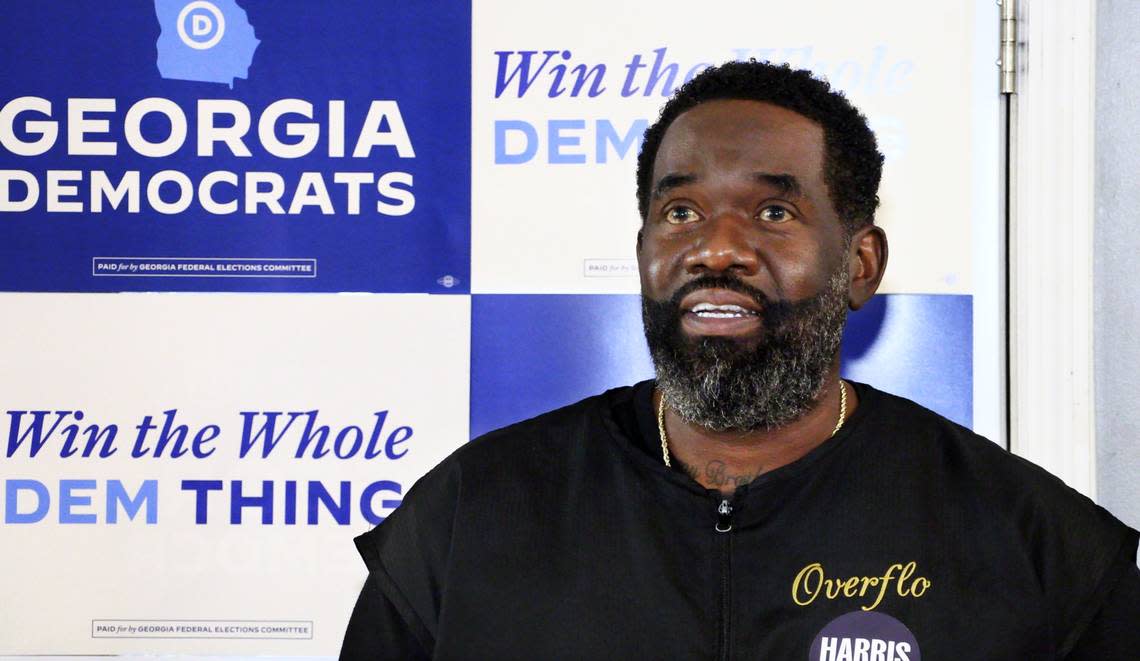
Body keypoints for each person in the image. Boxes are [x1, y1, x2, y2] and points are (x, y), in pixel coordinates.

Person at [340, 60, 1139, 660]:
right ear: (646, 250)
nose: (717, 247)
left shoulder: (1034, 545)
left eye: (774, 210)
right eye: (680, 210)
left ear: (860, 264)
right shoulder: (471, 514)